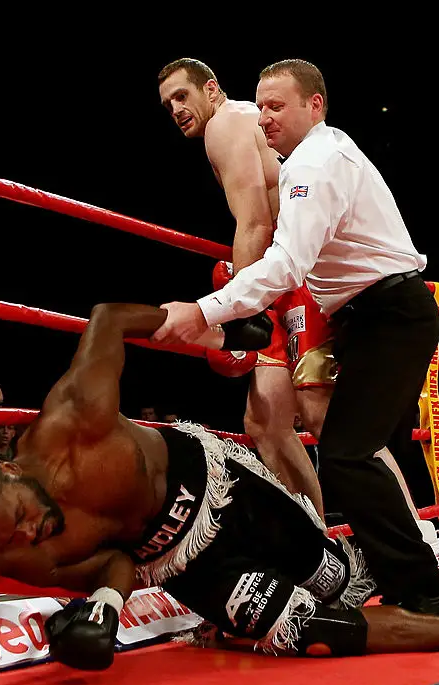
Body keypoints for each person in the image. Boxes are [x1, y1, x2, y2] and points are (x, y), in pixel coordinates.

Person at [0, 302, 439, 672]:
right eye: (10, 539)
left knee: (338, 582)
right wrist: (106, 608)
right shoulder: (15, 552)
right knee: (310, 632)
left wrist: (216, 322)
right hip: (182, 560)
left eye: (22, 515)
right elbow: (111, 557)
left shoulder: (71, 422)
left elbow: (109, 318)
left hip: (223, 483)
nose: (30, 534)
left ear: (8, 471)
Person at [152, 58, 439, 618]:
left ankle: (426, 582)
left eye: (276, 107)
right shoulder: (316, 151)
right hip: (355, 308)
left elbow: (264, 235)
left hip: (369, 307)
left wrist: (215, 313)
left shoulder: (251, 136)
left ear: (314, 105)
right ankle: (380, 570)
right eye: (265, 107)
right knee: (309, 435)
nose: (265, 119)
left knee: (345, 447)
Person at [157, 58, 325, 518]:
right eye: (168, 104)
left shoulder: (223, 127)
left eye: (182, 96)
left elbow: (254, 222)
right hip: (289, 280)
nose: (176, 109)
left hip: (300, 276)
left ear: (211, 89)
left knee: (324, 419)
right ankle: (324, 549)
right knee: (266, 422)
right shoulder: (246, 122)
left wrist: (234, 311)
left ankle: (414, 539)